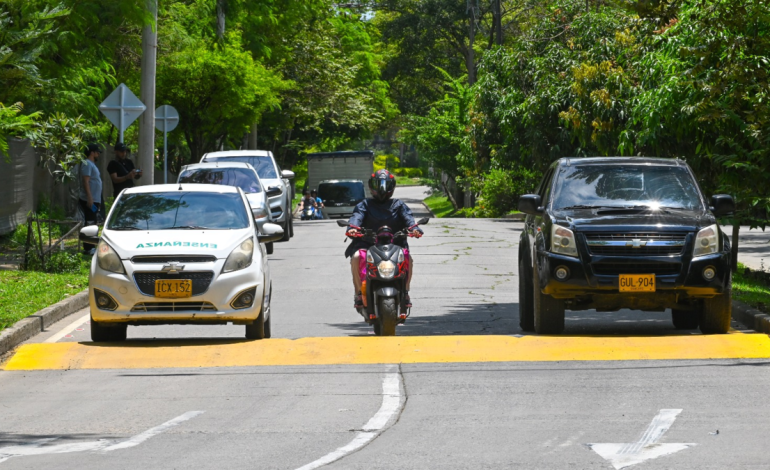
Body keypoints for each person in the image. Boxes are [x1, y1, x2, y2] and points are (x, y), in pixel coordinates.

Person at [345, 169, 423, 311]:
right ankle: (358, 293)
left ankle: (405, 292)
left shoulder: (398, 205)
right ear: (371, 186)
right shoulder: (365, 205)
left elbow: (409, 219)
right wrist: (353, 228)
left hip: (395, 245)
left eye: (386, 185)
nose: (382, 189)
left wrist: (414, 229)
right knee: (356, 256)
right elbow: (357, 217)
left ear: (392, 186)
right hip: (367, 244)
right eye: (378, 184)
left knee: (408, 258)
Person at [79, 143, 103, 255]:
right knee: (90, 223)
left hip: (94, 199)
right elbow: (86, 181)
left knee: (93, 222)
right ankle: (88, 248)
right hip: (90, 199)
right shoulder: (87, 164)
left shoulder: (92, 164)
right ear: (92, 152)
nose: (98, 154)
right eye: (97, 152)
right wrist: (90, 198)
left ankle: (91, 246)